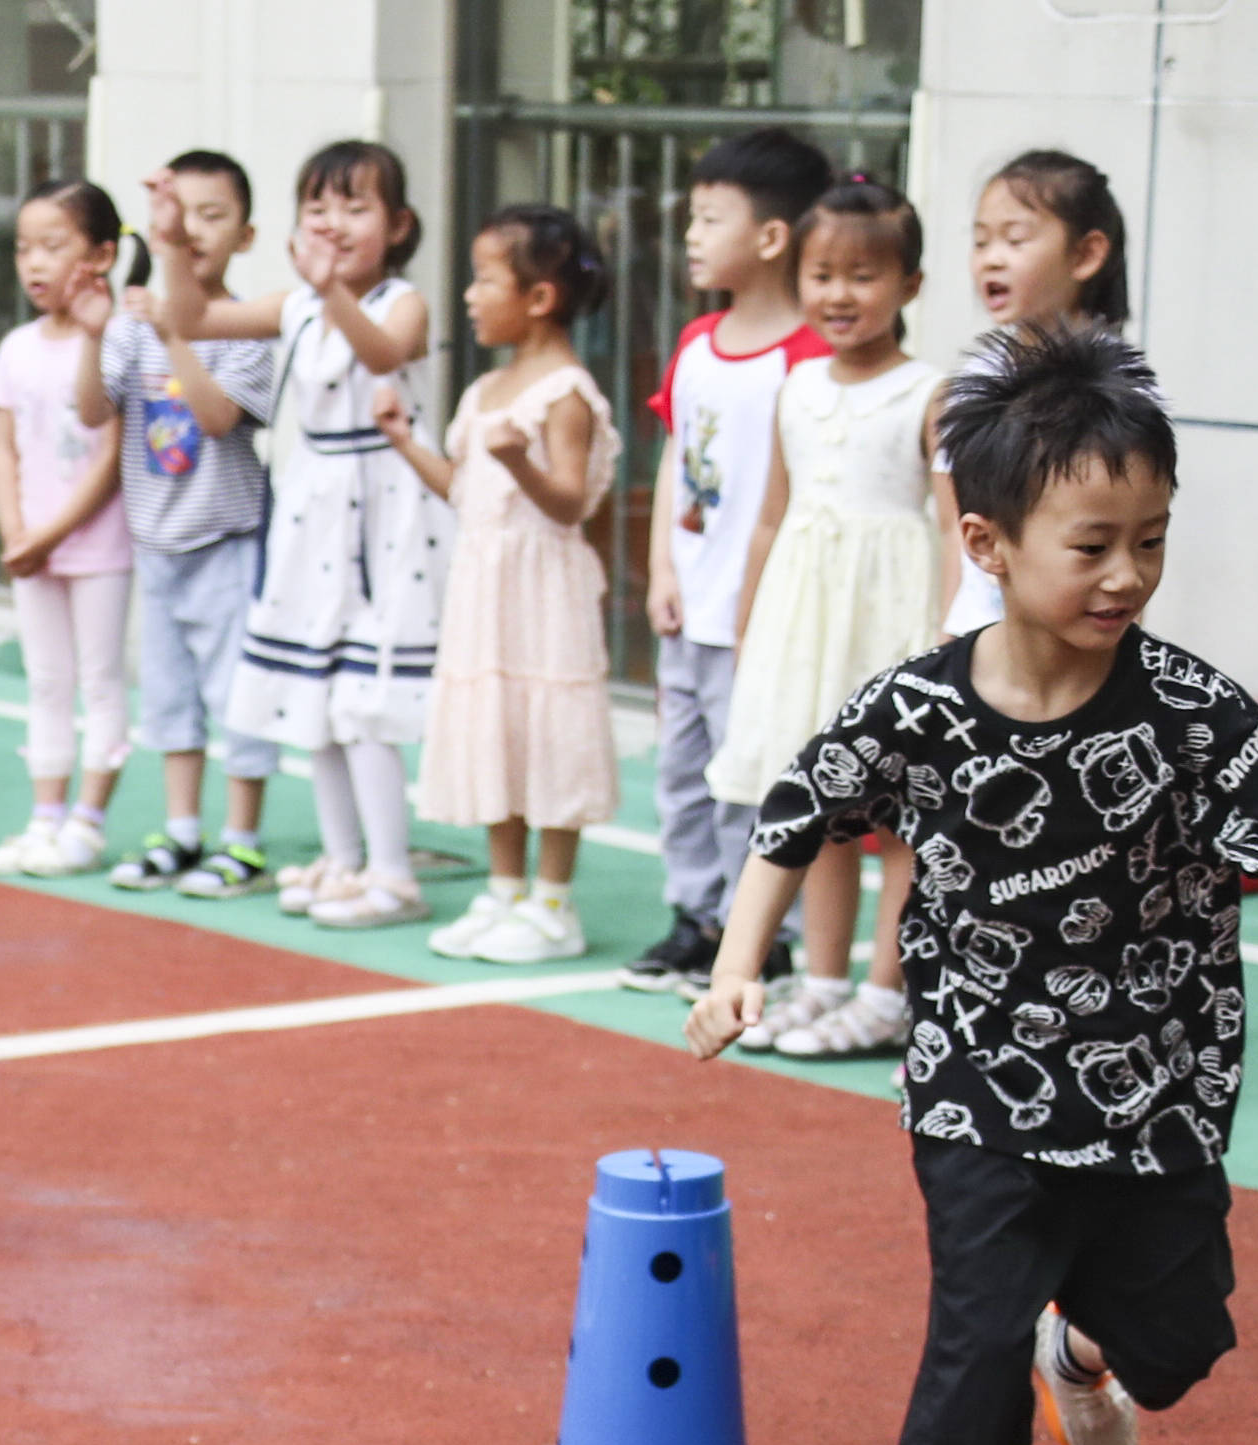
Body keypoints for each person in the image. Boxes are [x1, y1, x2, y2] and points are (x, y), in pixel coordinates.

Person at [686, 324, 1258, 1445]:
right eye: (1091, 544)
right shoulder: (920, 707)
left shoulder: (1188, 710)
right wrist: (733, 965)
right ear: (987, 542)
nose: (1124, 573)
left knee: (1173, 1344)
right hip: (975, 1081)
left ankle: (1081, 1349)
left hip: (1158, 1083)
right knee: (968, 1328)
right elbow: (795, 809)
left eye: (1149, 540)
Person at [702, 179, 945, 1056]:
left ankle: (887, 991)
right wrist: (746, 617)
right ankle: (823, 978)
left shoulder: (929, 391)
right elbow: (769, 513)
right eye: (821, 274)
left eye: (864, 275)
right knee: (823, 808)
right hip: (803, 613)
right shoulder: (793, 386)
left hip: (889, 617)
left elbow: (951, 522)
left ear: (910, 286)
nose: (839, 294)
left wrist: (952, 630)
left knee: (896, 820)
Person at [194, 140, 451, 930]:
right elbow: (189, 316)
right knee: (317, 689)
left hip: (386, 509)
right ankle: (344, 859)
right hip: (315, 504)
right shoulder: (296, 302)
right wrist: (171, 243)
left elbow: (383, 351)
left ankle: (392, 871)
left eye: (354, 206)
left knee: (365, 695)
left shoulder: (398, 299)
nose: (333, 222)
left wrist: (328, 287)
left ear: (398, 223)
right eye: (317, 208)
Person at [619, 127, 832, 995]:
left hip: (758, 618)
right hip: (690, 606)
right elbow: (675, 457)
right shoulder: (699, 339)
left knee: (749, 779)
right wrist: (662, 572)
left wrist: (760, 606)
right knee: (680, 769)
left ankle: (760, 936)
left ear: (773, 237)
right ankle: (694, 916)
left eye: (710, 219)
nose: (691, 237)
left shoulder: (811, 357)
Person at [393, 205, 619, 966]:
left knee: (549, 731)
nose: (467, 293)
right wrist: (402, 441)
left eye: (484, 278)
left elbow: (567, 501)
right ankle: (501, 891)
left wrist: (520, 462)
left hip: (543, 589)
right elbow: (461, 486)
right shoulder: (486, 387)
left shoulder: (564, 393)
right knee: (497, 725)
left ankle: (552, 903)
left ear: (538, 297)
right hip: (485, 590)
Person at [80, 154, 284, 894]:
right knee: (167, 697)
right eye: (182, 214)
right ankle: (183, 832)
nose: (194, 229)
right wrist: (90, 331)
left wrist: (172, 332)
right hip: (156, 543)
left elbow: (216, 416)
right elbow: (91, 410)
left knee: (239, 694)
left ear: (247, 233)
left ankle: (243, 838)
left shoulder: (249, 326)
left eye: (213, 215)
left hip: (227, 539)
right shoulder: (131, 325)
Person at [0, 178, 130, 871]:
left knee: (98, 677)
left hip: (96, 546)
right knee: (45, 678)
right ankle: (44, 817)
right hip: (31, 549)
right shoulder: (16, 347)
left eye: (51, 246)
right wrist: (16, 532)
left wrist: (48, 534)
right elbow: (2, 446)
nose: (33, 263)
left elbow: (110, 456)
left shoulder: (116, 341)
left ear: (99, 255)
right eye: (22, 248)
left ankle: (88, 822)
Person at [937, 150, 1138, 641]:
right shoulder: (971, 378)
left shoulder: (1120, 388)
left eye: (1016, 238)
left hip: (1073, 645)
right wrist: (946, 634)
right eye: (981, 241)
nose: (991, 257)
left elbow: (1130, 540)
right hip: (979, 637)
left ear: (1086, 254)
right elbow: (953, 530)